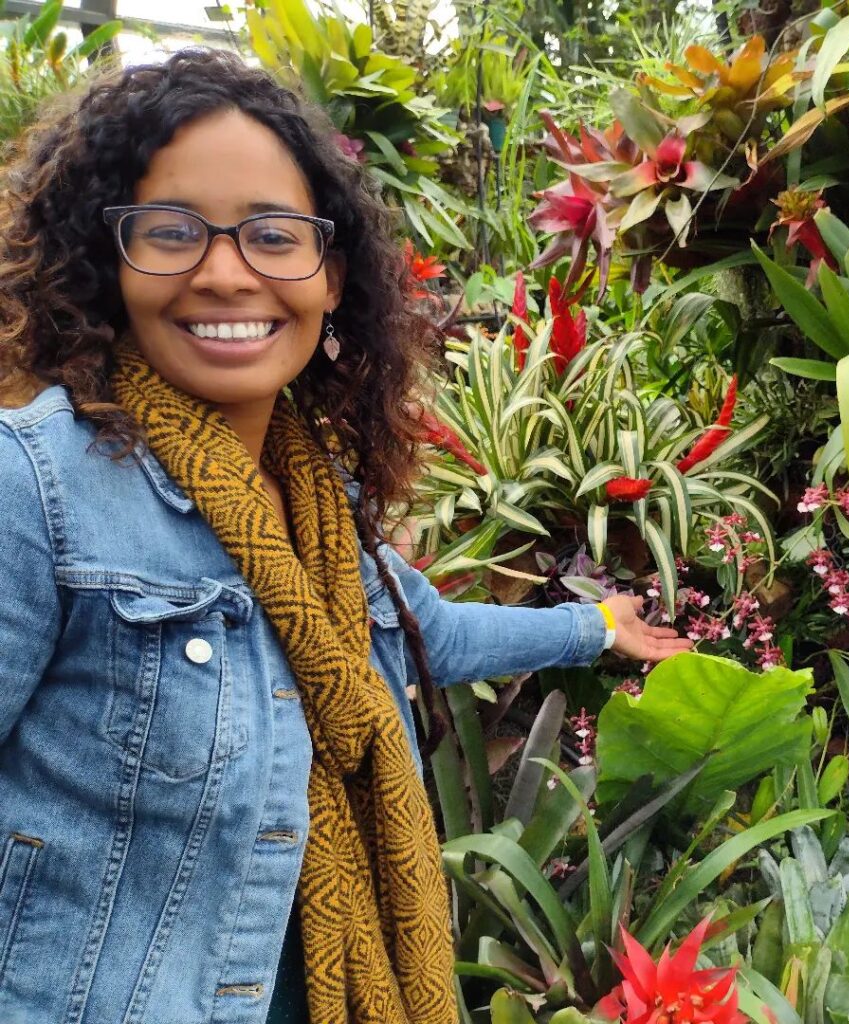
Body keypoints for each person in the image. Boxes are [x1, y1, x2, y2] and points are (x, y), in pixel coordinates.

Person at [0, 49, 691, 1024]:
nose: (227, 272)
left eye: (274, 236)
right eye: (170, 231)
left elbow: (424, 631)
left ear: (331, 280)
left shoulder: (316, 501)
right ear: (103, 263)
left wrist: (593, 628)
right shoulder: (36, 485)